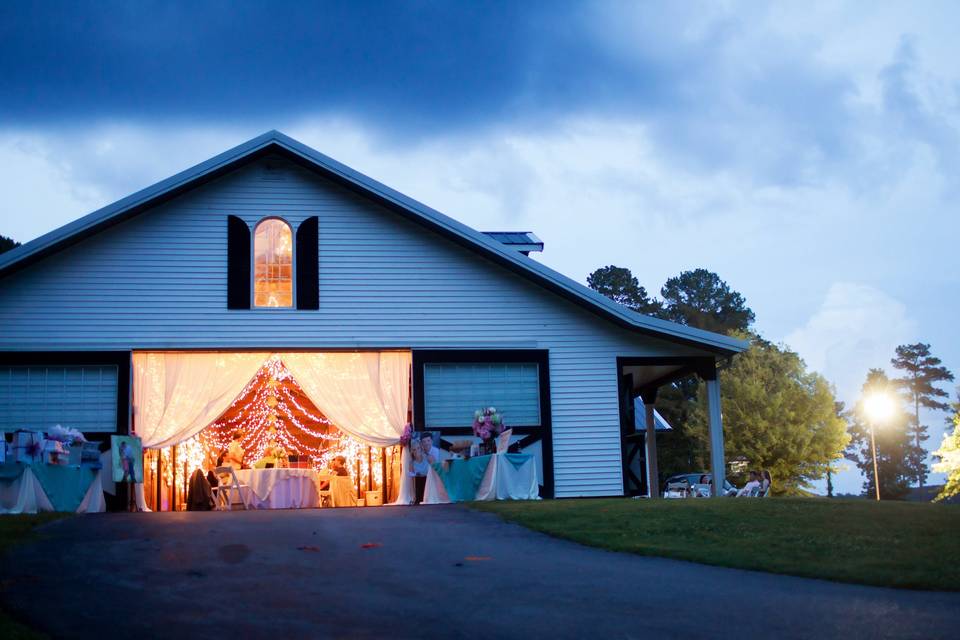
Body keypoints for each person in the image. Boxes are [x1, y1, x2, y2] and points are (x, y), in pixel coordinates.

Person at [411, 433, 440, 504]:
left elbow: (436, 467)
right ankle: (419, 498)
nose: (426, 443)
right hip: (420, 477)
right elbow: (411, 473)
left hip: (430, 477)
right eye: (424, 441)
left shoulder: (434, 454)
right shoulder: (413, 461)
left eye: (428, 441)